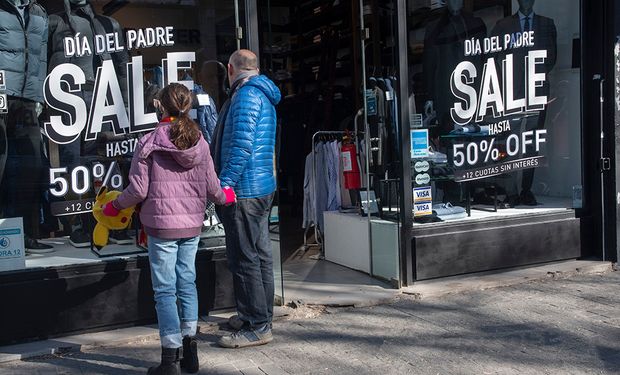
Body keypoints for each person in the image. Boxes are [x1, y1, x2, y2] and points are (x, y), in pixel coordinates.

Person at [102, 83, 236, 375]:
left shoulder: (148, 142)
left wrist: (114, 207)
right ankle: (191, 352)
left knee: (165, 291)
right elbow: (214, 189)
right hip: (191, 225)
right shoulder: (200, 142)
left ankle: (169, 360)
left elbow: (137, 190)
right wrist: (228, 195)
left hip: (161, 226)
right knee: (187, 284)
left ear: (160, 106)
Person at [211, 49, 281, 348]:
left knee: (245, 259)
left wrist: (223, 185)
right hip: (261, 186)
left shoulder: (245, 97)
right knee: (260, 255)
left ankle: (257, 326)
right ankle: (257, 314)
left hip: (245, 191)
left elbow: (240, 147)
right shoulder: (261, 94)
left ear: (230, 69)